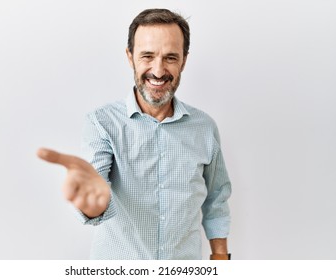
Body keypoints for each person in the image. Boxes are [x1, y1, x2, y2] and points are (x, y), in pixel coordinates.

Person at [37, 8, 232, 260]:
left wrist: (220, 256)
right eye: (147, 56)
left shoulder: (205, 127)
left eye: (171, 57)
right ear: (130, 57)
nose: (158, 71)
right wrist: (93, 206)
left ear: (184, 60)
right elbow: (96, 185)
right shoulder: (102, 123)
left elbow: (216, 198)